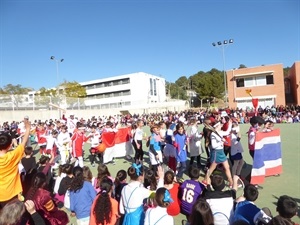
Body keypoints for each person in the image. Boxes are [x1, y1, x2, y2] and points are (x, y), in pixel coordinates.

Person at [0, 118, 30, 208]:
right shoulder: (13, 155)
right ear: (10, 146)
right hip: (12, 193)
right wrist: (28, 129)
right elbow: (23, 143)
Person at [204, 119, 233, 187]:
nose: (221, 125)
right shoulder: (213, 134)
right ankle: (205, 180)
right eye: (220, 125)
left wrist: (230, 123)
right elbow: (214, 146)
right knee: (211, 169)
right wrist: (221, 142)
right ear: (217, 126)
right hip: (216, 153)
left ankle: (231, 182)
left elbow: (228, 132)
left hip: (221, 152)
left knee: (227, 167)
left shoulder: (221, 132)